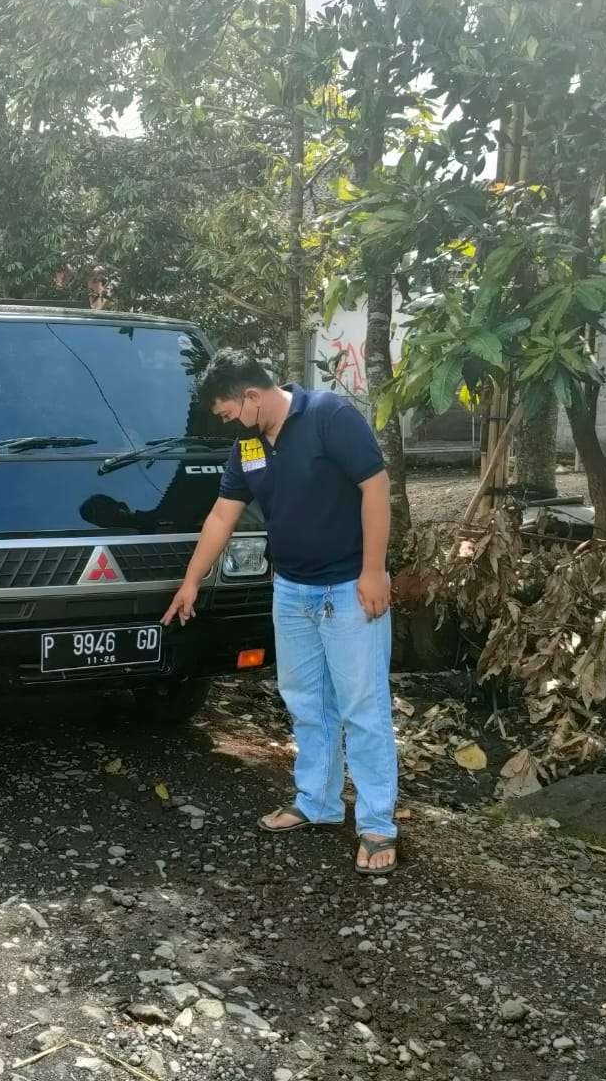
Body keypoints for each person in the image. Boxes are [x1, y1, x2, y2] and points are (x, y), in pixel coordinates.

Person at [162, 349, 400, 876]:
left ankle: (377, 821)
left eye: (227, 411)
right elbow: (224, 513)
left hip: (348, 588)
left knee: (363, 707)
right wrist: (191, 581)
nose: (226, 423)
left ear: (252, 395)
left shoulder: (328, 416)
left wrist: (374, 570)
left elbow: (375, 487)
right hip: (291, 591)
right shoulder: (248, 443)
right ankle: (316, 800)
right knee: (306, 701)